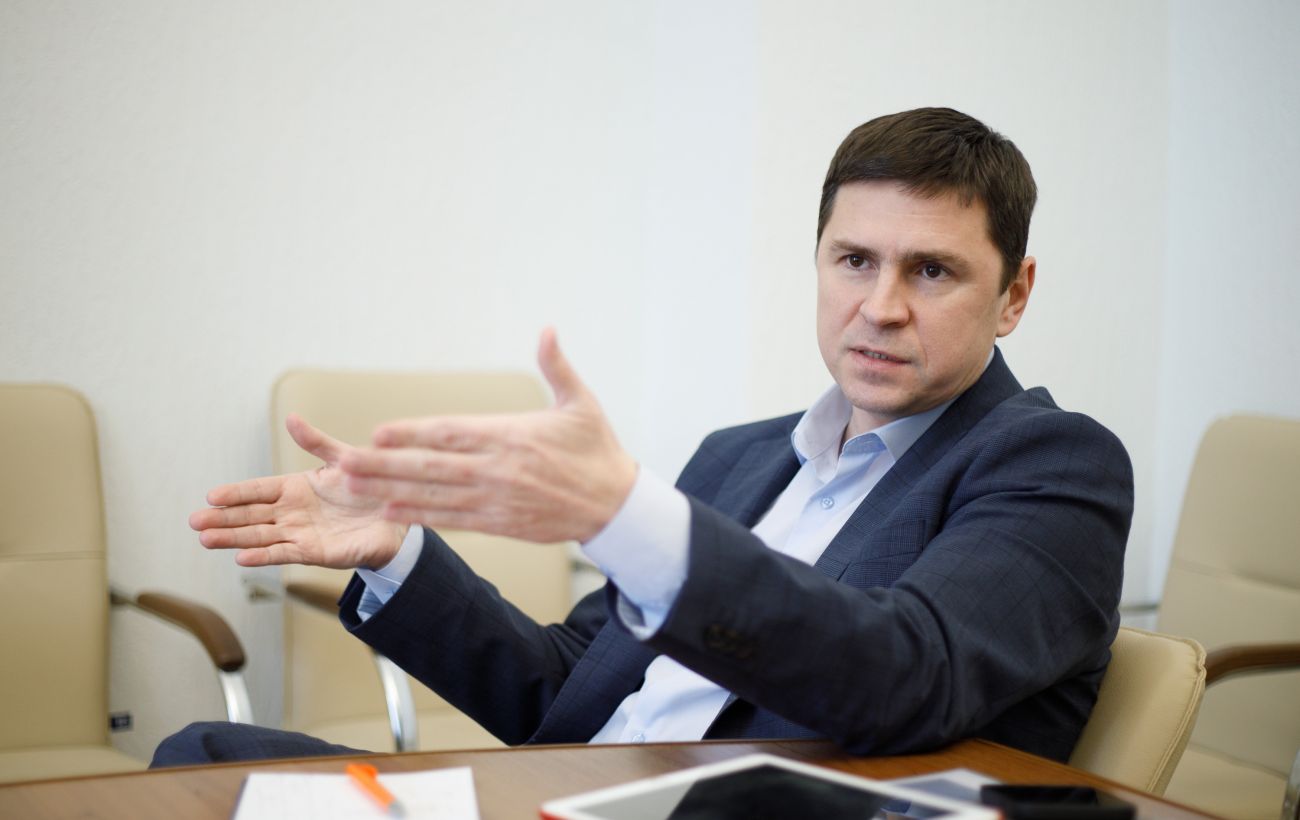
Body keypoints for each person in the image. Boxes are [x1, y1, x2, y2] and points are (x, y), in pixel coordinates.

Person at [154, 107, 1133, 767]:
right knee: (205, 757)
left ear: (1013, 296)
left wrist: (623, 511)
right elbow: (558, 694)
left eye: (931, 271)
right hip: (565, 791)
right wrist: (397, 551)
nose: (879, 306)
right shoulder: (740, 457)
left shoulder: (1052, 464)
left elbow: (900, 674)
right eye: (853, 260)